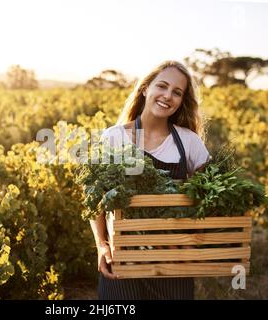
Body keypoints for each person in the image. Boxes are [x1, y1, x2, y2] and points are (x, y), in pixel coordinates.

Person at [89, 60, 210, 300]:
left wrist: (192, 241)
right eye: (162, 86)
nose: (168, 96)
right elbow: (94, 199)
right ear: (145, 88)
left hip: (173, 263)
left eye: (177, 92)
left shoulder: (189, 142)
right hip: (123, 260)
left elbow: (210, 196)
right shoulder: (114, 137)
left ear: (182, 101)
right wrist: (102, 246)